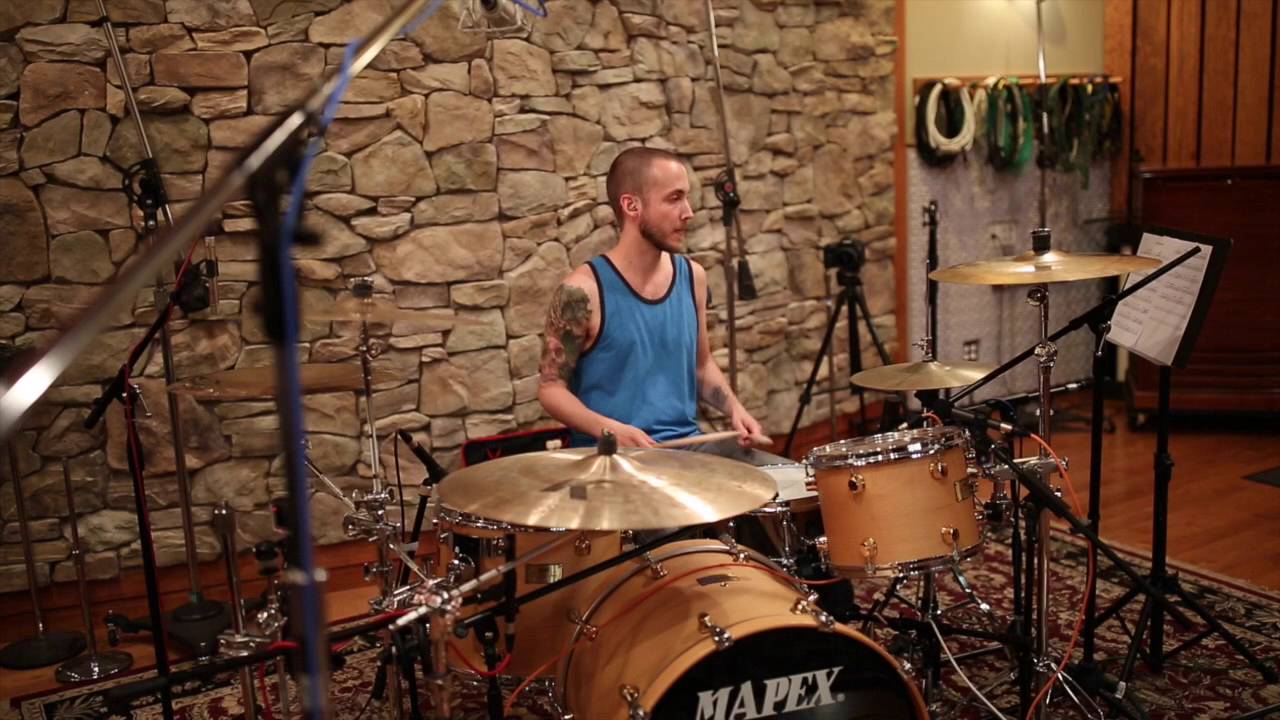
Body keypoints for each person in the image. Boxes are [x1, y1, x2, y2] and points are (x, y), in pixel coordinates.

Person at [537, 147, 770, 457]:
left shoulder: (693, 277)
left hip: (688, 451)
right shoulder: (581, 292)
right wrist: (610, 430)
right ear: (631, 205)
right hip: (615, 459)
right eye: (674, 199)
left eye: (686, 197)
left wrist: (735, 409)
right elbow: (551, 389)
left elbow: (701, 366)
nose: (688, 212)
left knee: (778, 479)